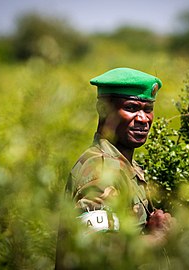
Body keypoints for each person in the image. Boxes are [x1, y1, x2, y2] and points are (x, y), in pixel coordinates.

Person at [56, 67, 173, 269]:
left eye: (147, 109)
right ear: (103, 109)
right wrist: (157, 237)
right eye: (131, 107)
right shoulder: (101, 171)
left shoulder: (125, 165)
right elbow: (95, 254)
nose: (143, 119)